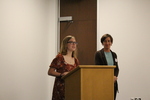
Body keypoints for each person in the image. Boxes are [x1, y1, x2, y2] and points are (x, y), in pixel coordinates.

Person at [48, 35, 79, 100]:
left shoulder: (76, 60)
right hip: (60, 89)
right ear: (66, 44)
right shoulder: (60, 58)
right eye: (71, 42)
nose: (74, 44)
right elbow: (50, 72)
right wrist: (61, 74)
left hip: (72, 88)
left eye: (75, 42)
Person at [94, 34, 119, 100]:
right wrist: (107, 78)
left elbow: (116, 68)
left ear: (111, 42)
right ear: (102, 43)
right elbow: (98, 68)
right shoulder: (98, 54)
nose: (107, 43)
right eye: (105, 41)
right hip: (103, 81)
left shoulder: (114, 54)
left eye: (109, 41)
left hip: (113, 82)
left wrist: (114, 76)